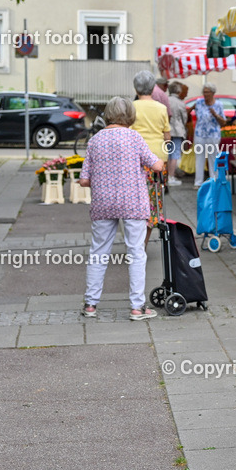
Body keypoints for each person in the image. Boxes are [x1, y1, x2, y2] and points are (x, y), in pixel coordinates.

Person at [78, 96, 164, 321]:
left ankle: (90, 305)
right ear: (130, 116)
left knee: (98, 252)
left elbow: (84, 180)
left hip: (103, 203)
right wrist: (159, 163)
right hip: (132, 202)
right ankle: (137, 307)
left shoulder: (95, 140)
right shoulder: (134, 137)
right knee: (136, 252)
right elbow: (155, 164)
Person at [132, 71, 171, 232]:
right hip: (158, 160)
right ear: (153, 88)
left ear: (136, 89)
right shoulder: (161, 108)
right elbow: (167, 137)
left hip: (136, 160)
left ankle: (137, 242)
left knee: (136, 202)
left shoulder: (130, 107)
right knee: (154, 201)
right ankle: (144, 241)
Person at [192, 83, 226, 187]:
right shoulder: (199, 102)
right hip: (199, 134)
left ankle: (214, 180)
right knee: (199, 158)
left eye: (207, 92)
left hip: (213, 135)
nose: (205, 94)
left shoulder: (218, 104)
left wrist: (215, 115)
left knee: (212, 158)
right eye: (204, 92)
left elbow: (223, 122)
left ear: (213, 93)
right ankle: (198, 182)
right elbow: (189, 112)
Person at [167, 81, 188, 185]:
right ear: (178, 91)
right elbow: (184, 118)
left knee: (167, 154)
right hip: (177, 130)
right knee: (174, 155)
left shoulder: (165, 100)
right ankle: (171, 176)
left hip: (166, 130)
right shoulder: (180, 103)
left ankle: (167, 176)